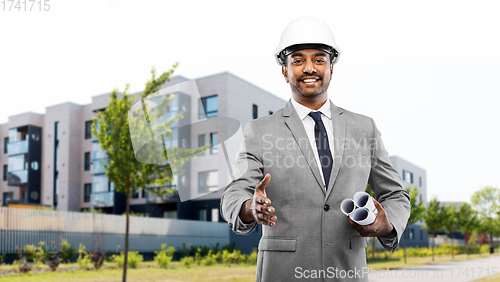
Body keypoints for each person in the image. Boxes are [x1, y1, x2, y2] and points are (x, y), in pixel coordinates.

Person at [220, 17, 410, 282]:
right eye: (298, 60)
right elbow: (234, 192)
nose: (309, 68)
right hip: (283, 273)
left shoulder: (364, 128)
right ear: (285, 70)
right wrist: (249, 207)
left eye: (319, 59)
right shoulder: (260, 131)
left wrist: (386, 224)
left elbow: (396, 195)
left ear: (332, 66)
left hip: (347, 272)